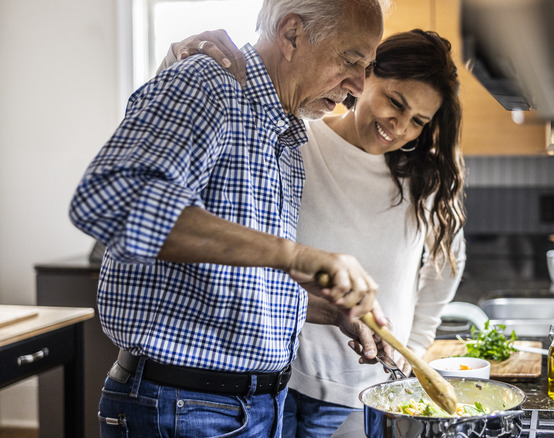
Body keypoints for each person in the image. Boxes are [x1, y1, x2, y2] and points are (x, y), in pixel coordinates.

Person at [68, 1, 387, 437]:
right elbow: (112, 200)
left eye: (366, 67)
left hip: (254, 405)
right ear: (292, 34)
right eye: (350, 61)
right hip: (184, 408)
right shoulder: (208, 84)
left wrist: (331, 310)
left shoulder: (283, 135)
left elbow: (226, 284)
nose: (357, 87)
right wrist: (296, 256)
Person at [166, 28, 466, 437]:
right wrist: (172, 64)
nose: (399, 126)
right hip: (276, 383)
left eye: (418, 121)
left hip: (367, 393)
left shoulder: (424, 179)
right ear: (365, 75)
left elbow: (445, 271)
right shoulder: (297, 139)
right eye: (395, 103)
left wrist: (411, 350)